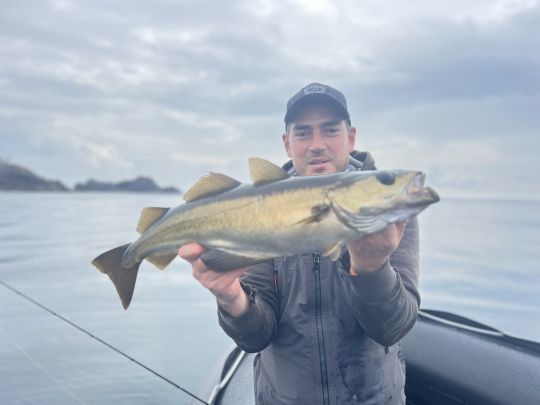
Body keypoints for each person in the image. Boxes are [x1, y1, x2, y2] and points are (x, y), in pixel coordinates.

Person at [179, 83, 420, 405]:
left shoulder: (386, 211)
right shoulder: (259, 209)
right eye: (303, 133)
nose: (317, 144)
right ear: (287, 143)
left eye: (330, 130)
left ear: (350, 137)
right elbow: (256, 335)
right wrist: (230, 297)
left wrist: (372, 268)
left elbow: (392, 329)